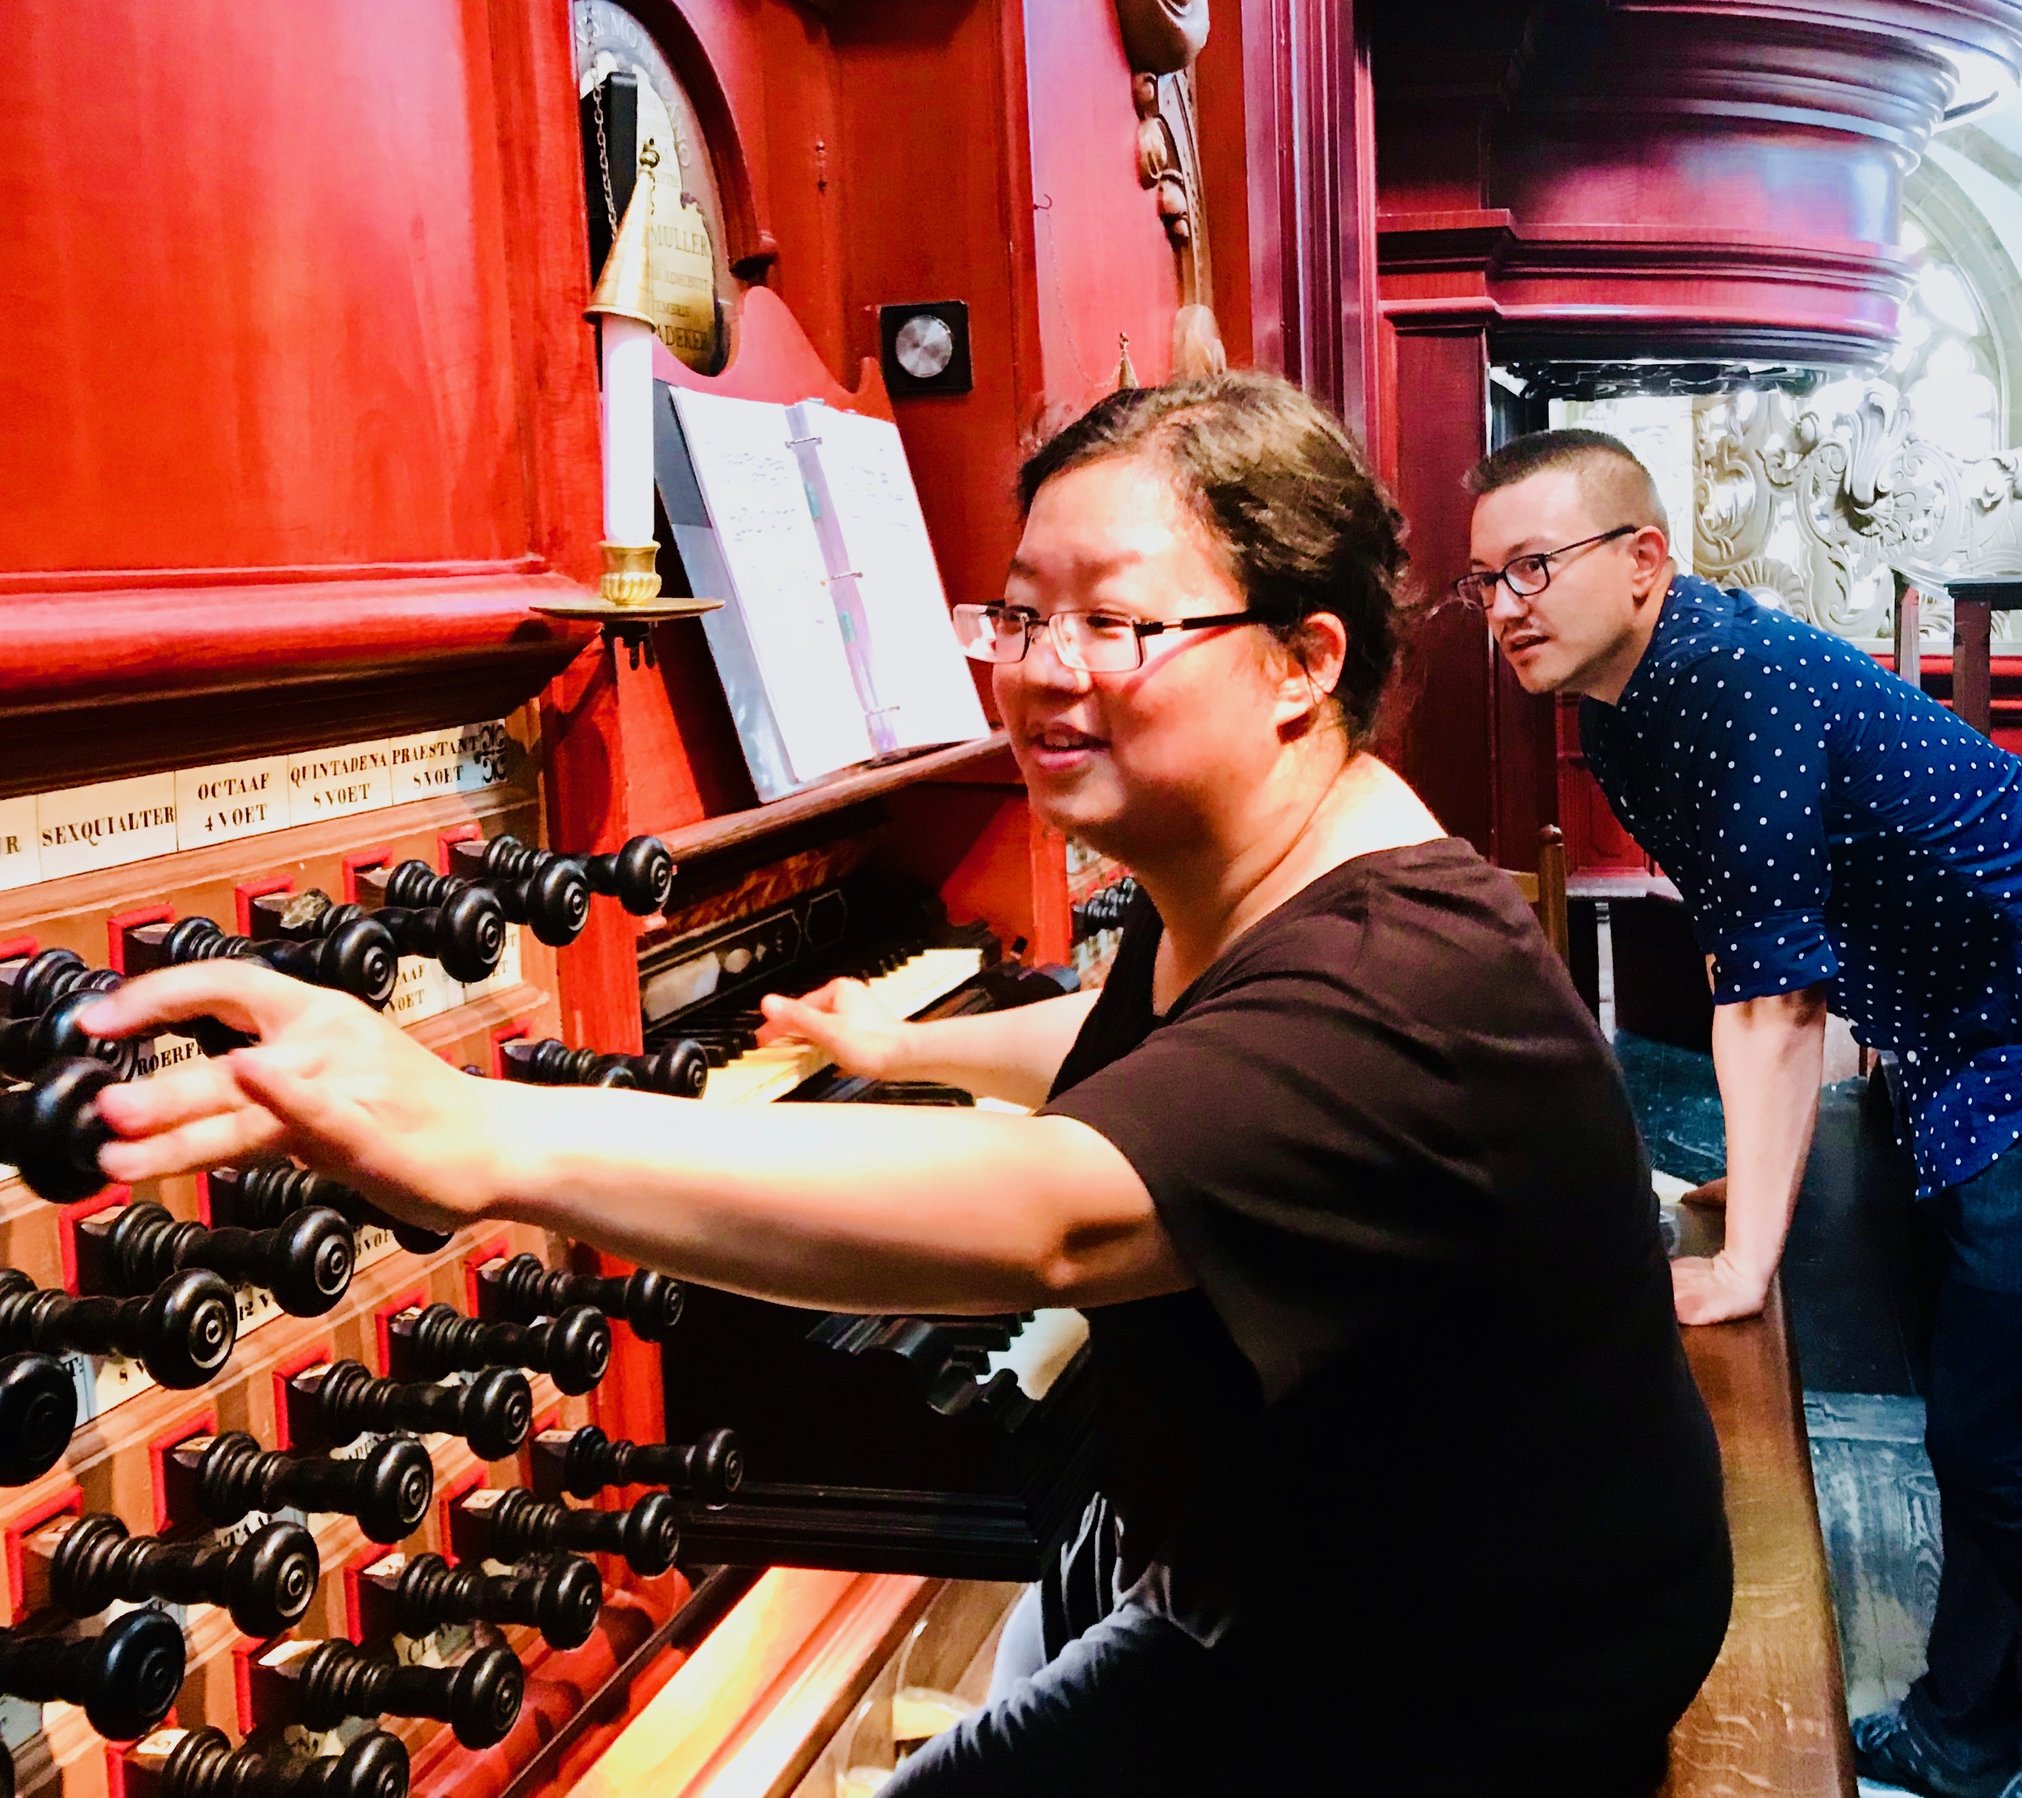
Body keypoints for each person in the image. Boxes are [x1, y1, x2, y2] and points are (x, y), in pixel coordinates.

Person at [84, 376, 1733, 1796]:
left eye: (1119, 620)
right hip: (1303, 1560)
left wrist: (478, 1130)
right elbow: (1146, 1048)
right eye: (1021, 613)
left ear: (1306, 658)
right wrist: (905, 1044)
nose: (1043, 668)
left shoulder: (1405, 984)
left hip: (1459, 1676)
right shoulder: (1271, 883)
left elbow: (1057, 1224)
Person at [1459, 429, 2022, 1798]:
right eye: (1484, 581)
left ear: (1643, 564)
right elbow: (1749, 947)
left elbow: (1778, 1003)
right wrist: (1738, 1191)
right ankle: (1962, 1728)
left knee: (1999, 1432)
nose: (1505, 605)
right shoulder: (1630, 711)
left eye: (1532, 567)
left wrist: (1749, 1254)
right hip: (1980, 1032)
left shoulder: (1732, 675)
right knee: (1983, 1423)